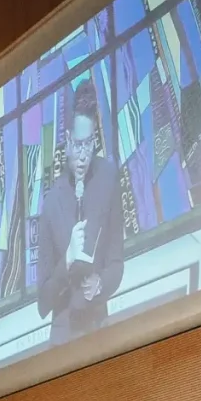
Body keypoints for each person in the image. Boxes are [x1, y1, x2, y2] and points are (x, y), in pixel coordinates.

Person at [35, 83, 125, 346]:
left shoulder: (108, 179)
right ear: (67, 138)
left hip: (99, 329)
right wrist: (67, 261)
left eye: (88, 145)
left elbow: (117, 261)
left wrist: (101, 283)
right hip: (64, 338)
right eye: (77, 145)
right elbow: (43, 303)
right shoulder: (51, 203)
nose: (83, 156)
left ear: (95, 140)